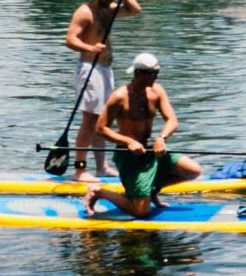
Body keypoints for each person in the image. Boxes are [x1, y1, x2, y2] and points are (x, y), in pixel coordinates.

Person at [83, 53, 201, 217]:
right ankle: (99, 192)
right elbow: (101, 128)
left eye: (157, 72)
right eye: (153, 73)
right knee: (141, 212)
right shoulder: (119, 97)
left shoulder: (157, 91)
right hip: (129, 157)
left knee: (192, 170)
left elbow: (172, 120)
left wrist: (161, 138)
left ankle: (151, 191)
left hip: (151, 150)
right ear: (138, 73)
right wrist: (128, 141)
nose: (157, 77)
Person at [64, 0, 141, 183]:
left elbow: (135, 10)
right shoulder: (84, 12)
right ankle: (80, 170)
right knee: (89, 120)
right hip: (89, 68)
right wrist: (90, 47)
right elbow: (70, 40)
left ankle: (102, 167)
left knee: (102, 120)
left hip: (105, 69)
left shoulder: (109, 10)